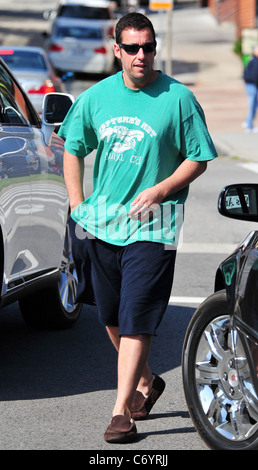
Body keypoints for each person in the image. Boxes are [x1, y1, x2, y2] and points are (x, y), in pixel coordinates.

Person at [58, 12, 218, 444]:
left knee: (135, 319)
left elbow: (198, 156)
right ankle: (147, 382)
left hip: (155, 227)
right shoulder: (96, 97)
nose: (142, 55)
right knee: (110, 316)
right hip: (101, 225)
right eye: (132, 48)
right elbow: (73, 146)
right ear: (117, 51)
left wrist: (163, 189)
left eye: (148, 47)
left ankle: (120, 412)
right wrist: (77, 205)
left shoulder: (178, 98)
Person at [243, 45, 258, 132]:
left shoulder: (252, 60)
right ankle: (249, 125)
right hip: (252, 85)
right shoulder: (254, 61)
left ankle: (248, 122)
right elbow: (254, 75)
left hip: (252, 84)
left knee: (254, 104)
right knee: (252, 104)